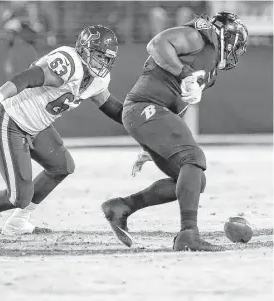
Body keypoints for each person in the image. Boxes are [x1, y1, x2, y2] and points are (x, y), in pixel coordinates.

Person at [0, 25, 124, 236]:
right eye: (99, 55)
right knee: (18, 196)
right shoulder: (69, 62)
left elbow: (112, 107)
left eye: (107, 58)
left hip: (36, 126)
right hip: (9, 119)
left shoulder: (98, 80)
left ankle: (18, 222)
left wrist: (141, 124)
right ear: (84, 49)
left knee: (62, 166)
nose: (103, 62)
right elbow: (27, 78)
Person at [100, 12, 248, 251]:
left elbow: (175, 103)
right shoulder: (199, 37)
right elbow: (157, 44)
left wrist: (153, 143)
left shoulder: (209, 71)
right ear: (227, 35)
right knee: (193, 158)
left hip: (152, 114)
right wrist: (184, 73)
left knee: (194, 179)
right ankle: (188, 234)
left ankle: (122, 207)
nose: (237, 51)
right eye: (237, 44)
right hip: (144, 106)